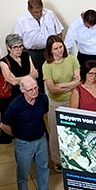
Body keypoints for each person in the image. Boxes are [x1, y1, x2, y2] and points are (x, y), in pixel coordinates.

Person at [0, 75, 58, 190]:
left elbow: (43, 114)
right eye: (30, 90)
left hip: (40, 139)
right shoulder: (15, 105)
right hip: (23, 143)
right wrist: (17, 135)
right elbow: (3, 125)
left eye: (35, 88)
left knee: (43, 167)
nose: (34, 92)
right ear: (22, 90)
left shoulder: (43, 99)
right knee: (23, 174)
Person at [42, 35, 80, 169]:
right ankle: (57, 160)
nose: (59, 50)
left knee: (74, 130)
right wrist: (71, 85)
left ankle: (74, 156)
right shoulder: (47, 65)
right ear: (50, 50)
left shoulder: (72, 59)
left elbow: (79, 80)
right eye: (55, 48)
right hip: (56, 103)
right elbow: (52, 89)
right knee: (55, 132)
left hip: (72, 100)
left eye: (60, 47)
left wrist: (61, 86)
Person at [0, 34, 37, 143]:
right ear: (9, 48)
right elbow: (12, 81)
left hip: (27, 91)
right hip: (12, 94)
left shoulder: (26, 56)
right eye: (15, 47)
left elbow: (36, 74)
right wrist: (29, 77)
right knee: (11, 118)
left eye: (20, 46)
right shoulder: (4, 61)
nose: (19, 49)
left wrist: (20, 79)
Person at [14, 0, 64, 74]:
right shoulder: (22, 21)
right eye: (35, 12)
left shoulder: (50, 14)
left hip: (50, 51)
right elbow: (17, 42)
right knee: (37, 77)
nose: (39, 14)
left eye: (40, 11)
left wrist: (58, 49)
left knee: (55, 74)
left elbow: (59, 33)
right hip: (32, 53)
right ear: (29, 10)